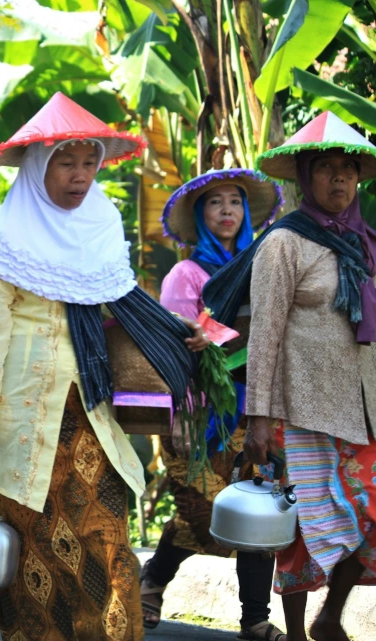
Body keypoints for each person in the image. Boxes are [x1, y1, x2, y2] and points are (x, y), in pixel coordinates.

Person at [0, 93, 210, 641]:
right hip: (22, 424)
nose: (80, 175)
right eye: (66, 162)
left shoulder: (101, 224)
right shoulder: (5, 242)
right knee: (35, 549)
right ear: (37, 167)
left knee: (108, 541)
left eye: (89, 162)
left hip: (90, 413)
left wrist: (178, 330)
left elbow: (123, 304)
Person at [205, 111, 376, 641]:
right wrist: (259, 415)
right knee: (300, 525)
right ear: (305, 177)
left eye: (348, 168)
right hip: (298, 407)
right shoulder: (283, 242)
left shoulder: (365, 242)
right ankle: (298, 631)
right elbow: (265, 332)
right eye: (326, 167)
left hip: (361, 408)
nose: (339, 177)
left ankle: (330, 616)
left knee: (370, 512)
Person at [140, 169, 286, 640]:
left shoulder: (263, 265)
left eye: (235, 202)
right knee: (200, 514)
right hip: (199, 411)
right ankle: (152, 580)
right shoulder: (186, 274)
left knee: (257, 507)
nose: (227, 211)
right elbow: (173, 347)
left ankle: (254, 619)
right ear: (201, 216)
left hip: (255, 407)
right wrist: (181, 412)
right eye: (216, 203)